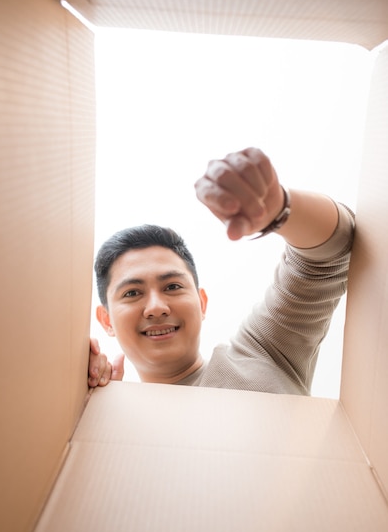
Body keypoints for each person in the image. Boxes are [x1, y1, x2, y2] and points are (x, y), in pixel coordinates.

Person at [88, 147, 355, 394]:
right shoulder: (102, 410)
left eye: (172, 287)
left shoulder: (265, 353)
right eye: (133, 293)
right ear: (107, 320)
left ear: (201, 303)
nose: (156, 308)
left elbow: (331, 255)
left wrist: (278, 208)